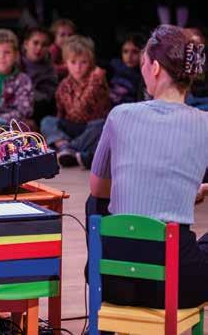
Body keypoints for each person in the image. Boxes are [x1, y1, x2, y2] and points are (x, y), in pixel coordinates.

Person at [89, 24, 208, 308]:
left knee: (94, 203)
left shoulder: (120, 115)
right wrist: (185, 194)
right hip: (175, 284)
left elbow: (98, 189)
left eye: (143, 63)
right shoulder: (204, 123)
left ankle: (106, 271)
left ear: (154, 68)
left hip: (113, 282)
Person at [40, 35, 110, 169]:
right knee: (47, 121)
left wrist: (95, 80)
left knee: (103, 126)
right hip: (71, 127)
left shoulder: (97, 81)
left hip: (90, 129)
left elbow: (81, 107)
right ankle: (66, 147)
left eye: (83, 62)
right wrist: (59, 133)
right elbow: (61, 113)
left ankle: (69, 150)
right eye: (73, 62)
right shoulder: (64, 85)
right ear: (65, 63)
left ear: (91, 62)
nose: (78, 67)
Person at [20, 26, 57, 124]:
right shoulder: (14, 62)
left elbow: (46, 98)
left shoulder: (50, 71)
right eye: (35, 43)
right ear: (26, 44)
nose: (39, 48)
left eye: (44, 45)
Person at [108, 33, 146, 106]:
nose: (129, 56)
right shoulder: (113, 67)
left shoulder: (144, 74)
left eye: (135, 52)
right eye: (125, 51)